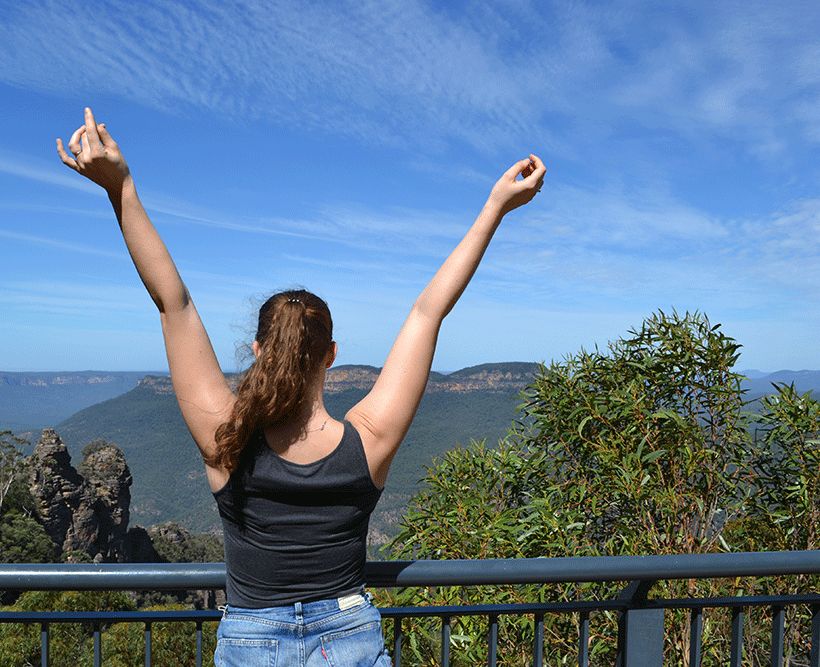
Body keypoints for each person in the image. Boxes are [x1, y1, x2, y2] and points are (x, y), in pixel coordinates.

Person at [58, 108, 545, 667]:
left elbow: (174, 303)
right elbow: (427, 314)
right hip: (350, 637)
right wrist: (494, 208)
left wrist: (120, 187)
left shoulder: (227, 437)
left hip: (250, 641)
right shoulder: (369, 441)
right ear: (332, 357)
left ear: (260, 350)